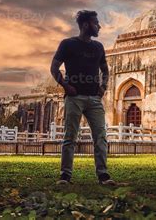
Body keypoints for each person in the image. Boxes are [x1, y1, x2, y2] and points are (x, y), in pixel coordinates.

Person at [50, 10, 114, 186]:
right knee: (70, 137)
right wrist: (65, 85)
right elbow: (54, 67)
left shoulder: (98, 47)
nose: (99, 26)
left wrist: (103, 87)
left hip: (94, 98)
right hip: (74, 97)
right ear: (86, 25)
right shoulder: (68, 44)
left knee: (100, 136)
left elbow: (105, 70)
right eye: (96, 23)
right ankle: (65, 176)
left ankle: (103, 175)